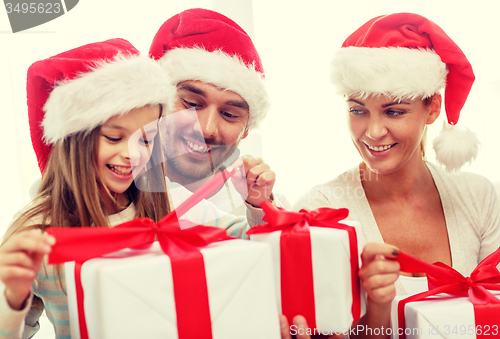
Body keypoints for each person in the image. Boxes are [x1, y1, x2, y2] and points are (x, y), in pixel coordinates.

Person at [0, 38, 262, 338]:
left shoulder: (171, 201)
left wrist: (256, 203)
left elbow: (253, 242)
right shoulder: (36, 232)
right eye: (113, 137)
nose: (132, 153)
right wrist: (13, 297)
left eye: (146, 139)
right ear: (74, 141)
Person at [288, 13, 500, 339]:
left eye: (394, 111)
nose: (372, 131)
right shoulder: (321, 209)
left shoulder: (478, 196)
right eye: (357, 110)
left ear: (432, 108)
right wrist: (376, 310)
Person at [149, 8, 286, 227]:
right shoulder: (111, 195)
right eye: (192, 104)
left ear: (247, 129)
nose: (207, 129)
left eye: (230, 114)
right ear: (155, 104)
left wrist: (263, 211)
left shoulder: (266, 210)